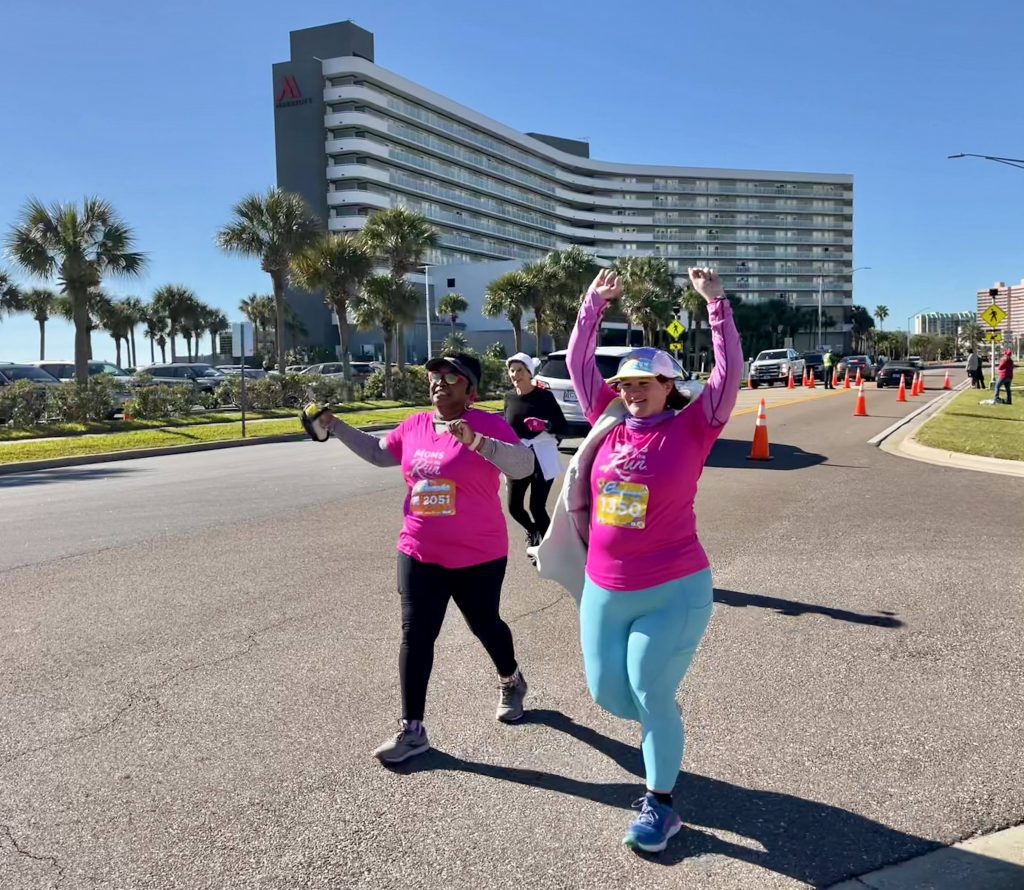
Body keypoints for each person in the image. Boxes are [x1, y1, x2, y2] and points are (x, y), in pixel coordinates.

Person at [564, 267, 741, 853]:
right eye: (625, 385)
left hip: (674, 587)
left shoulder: (695, 427)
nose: (632, 392)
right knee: (608, 695)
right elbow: (576, 363)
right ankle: (659, 721)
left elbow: (727, 374)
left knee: (648, 690)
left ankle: (661, 804)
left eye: (645, 383)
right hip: (604, 588)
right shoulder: (608, 425)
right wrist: (594, 303)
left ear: (669, 385)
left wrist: (715, 304)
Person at [318, 353, 535, 764]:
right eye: (435, 375)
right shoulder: (416, 424)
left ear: (470, 389)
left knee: (485, 625)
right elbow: (381, 453)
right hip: (419, 550)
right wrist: (336, 426)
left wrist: (477, 441)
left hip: (478, 555)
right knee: (416, 636)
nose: (440, 381)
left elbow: (523, 466)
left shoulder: (487, 422)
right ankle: (412, 729)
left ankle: (511, 680)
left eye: (452, 377)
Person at [503, 352, 569, 549]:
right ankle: (533, 531)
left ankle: (550, 548)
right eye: (512, 370)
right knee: (514, 507)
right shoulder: (509, 397)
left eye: (520, 370)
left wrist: (545, 425)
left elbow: (562, 426)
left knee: (536, 506)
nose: (515, 374)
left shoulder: (544, 397)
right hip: (518, 456)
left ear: (529, 373)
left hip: (542, 454)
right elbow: (507, 428)